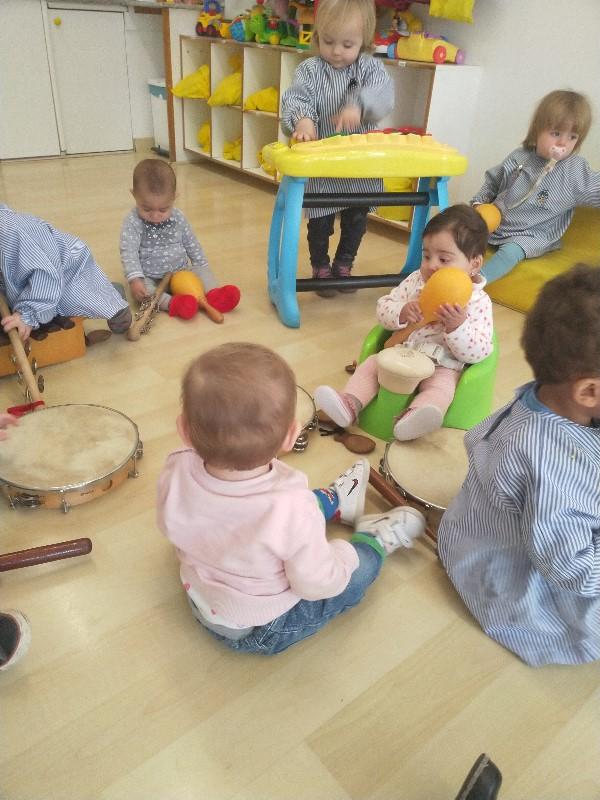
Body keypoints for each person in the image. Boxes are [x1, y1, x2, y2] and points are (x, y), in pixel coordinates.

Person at [157, 342, 425, 655]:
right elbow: (316, 584)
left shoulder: (177, 466)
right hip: (263, 627)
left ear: (184, 430)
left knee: (287, 518)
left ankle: (334, 502)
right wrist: (344, 555)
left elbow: (170, 523)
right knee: (353, 576)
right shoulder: (290, 505)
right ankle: (374, 537)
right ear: (291, 436)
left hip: (199, 593)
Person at [438, 263, 600, 667]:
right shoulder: (552, 467)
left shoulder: (548, 399)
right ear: (589, 391)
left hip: (483, 531)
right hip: (517, 583)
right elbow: (573, 568)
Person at [314, 204, 493, 441]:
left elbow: (480, 352)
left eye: (443, 259)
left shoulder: (478, 301)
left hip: (442, 365)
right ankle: (348, 405)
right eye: (426, 256)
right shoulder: (415, 281)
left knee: (442, 388)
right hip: (400, 353)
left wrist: (457, 327)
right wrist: (401, 312)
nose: (431, 265)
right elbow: (383, 309)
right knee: (370, 366)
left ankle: (415, 418)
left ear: (474, 264)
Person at [280, 0, 394, 296]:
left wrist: (359, 105)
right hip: (323, 169)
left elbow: (383, 95)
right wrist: (303, 121)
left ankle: (344, 263)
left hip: (359, 168)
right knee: (320, 221)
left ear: (363, 40)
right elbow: (297, 98)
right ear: (317, 36)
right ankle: (320, 266)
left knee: (356, 220)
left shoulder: (370, 68)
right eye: (328, 41)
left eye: (347, 44)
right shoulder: (309, 70)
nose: (336, 51)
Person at [472, 90, 600, 284]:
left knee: (511, 252)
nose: (563, 143)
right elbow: (493, 181)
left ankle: (474, 285)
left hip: (533, 234)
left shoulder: (575, 170)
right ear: (537, 130)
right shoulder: (520, 156)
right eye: (556, 133)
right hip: (496, 224)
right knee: (459, 230)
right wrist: (478, 204)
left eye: (572, 137)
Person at [120, 159, 240, 318]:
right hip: (150, 276)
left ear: (174, 198)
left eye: (163, 209)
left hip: (181, 271)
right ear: (134, 195)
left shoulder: (178, 217)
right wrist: (135, 279)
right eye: (146, 209)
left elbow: (191, 242)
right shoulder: (133, 221)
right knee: (143, 293)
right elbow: (128, 252)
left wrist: (202, 266)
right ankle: (174, 304)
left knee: (202, 271)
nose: (155, 216)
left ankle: (213, 295)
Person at [0, 203, 131, 342]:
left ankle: (115, 299)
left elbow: (46, 275)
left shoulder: (12, 233)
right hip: (25, 279)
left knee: (74, 301)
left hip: (65, 271)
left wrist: (27, 315)